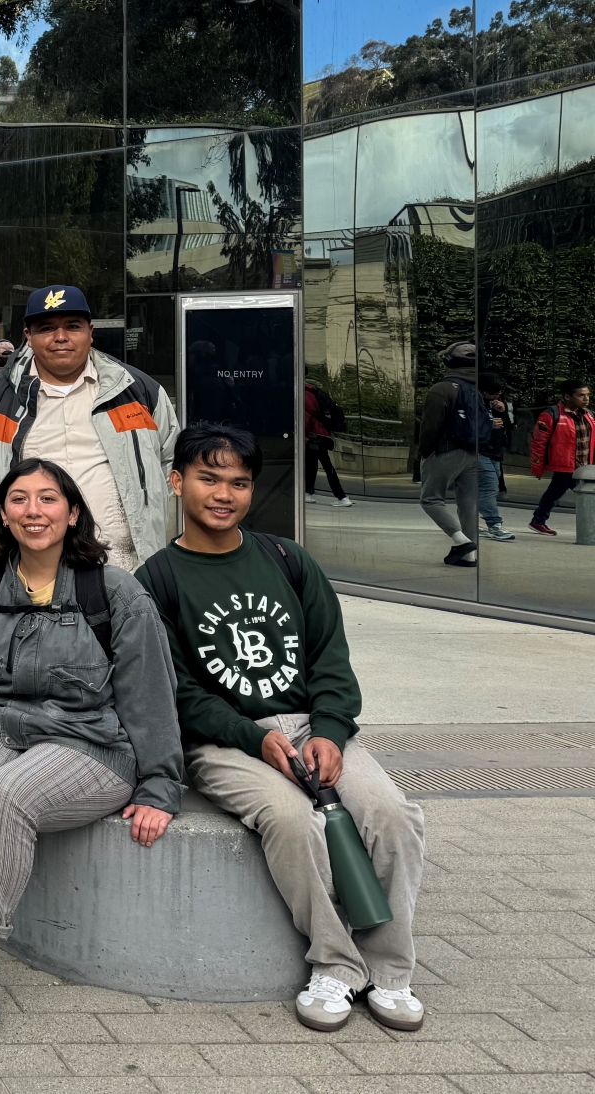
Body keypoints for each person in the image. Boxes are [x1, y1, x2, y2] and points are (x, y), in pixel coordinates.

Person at [140, 422, 427, 1033]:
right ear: (176, 481)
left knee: (392, 814)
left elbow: (332, 660)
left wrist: (327, 728)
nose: (224, 494)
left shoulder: (287, 559)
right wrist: (254, 738)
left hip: (309, 723)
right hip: (222, 741)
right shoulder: (157, 580)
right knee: (294, 819)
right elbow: (177, 691)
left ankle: (389, 970)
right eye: (208, 478)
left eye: (239, 482)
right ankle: (334, 964)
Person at [0, 457, 182, 1052]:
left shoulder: (112, 590)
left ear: (73, 511)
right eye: (19, 500)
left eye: (48, 499)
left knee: (7, 796)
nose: (33, 512)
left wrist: (161, 784)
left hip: (89, 744)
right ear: (2, 513)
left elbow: (150, 694)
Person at [0, 284, 179, 576]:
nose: (60, 337)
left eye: (72, 326)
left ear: (90, 332)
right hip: (25, 571)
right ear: (28, 337)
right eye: (47, 328)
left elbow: (172, 469)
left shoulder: (139, 392)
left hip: (124, 568)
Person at [416, 341, 483, 567]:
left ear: (449, 362)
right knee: (469, 504)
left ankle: (461, 541)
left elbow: (430, 426)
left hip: (445, 451)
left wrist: (425, 453)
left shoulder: (441, 389)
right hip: (471, 453)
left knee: (431, 499)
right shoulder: (476, 389)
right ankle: (469, 557)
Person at [528, 381, 593, 536]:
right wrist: (537, 466)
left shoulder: (589, 415)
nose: (586, 399)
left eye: (588, 395)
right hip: (566, 465)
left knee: (554, 492)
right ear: (567, 396)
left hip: (584, 466)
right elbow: (539, 442)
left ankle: (538, 520)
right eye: (581, 395)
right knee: (584, 494)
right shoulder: (551, 414)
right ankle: (538, 520)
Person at [304, 379, 352, 508]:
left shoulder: (305, 393)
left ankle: (342, 497)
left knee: (325, 465)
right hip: (319, 433)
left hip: (315, 434)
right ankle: (308, 493)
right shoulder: (313, 390)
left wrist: (304, 433)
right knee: (313, 464)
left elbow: (307, 415)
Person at [477, 376, 515, 541]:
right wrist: (489, 423)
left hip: (494, 450)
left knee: (484, 486)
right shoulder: (473, 402)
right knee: (490, 486)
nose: (497, 397)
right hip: (479, 450)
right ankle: (494, 524)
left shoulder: (495, 403)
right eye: (494, 393)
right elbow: (464, 425)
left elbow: (507, 426)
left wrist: (503, 411)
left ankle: (470, 521)